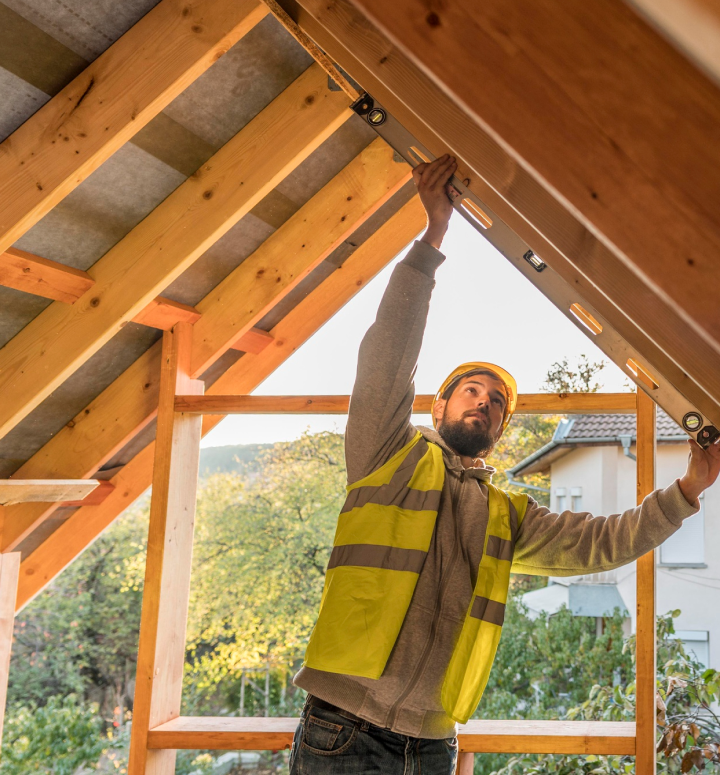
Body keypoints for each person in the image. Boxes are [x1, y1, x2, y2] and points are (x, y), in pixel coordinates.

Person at [288, 155, 720, 775]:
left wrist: (686, 489)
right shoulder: (386, 456)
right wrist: (432, 240)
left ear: (498, 432)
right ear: (437, 406)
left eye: (495, 403)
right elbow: (386, 356)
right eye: (471, 391)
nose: (484, 403)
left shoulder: (505, 515)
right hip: (343, 728)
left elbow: (603, 542)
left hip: (432, 744)